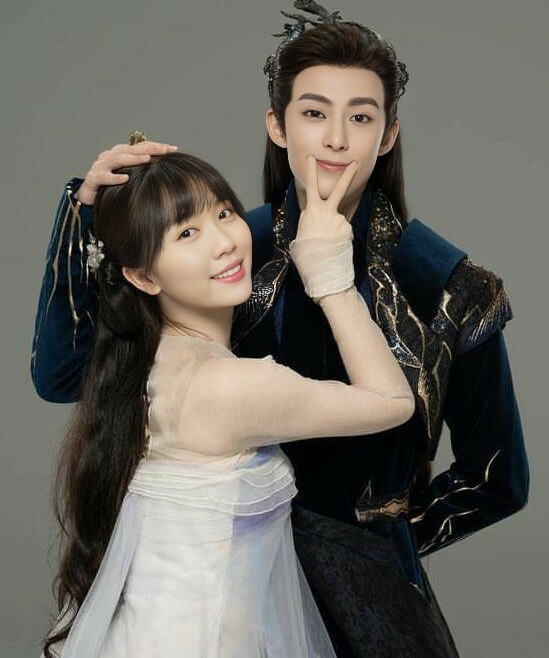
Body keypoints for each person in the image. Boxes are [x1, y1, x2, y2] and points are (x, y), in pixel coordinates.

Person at [31, 0, 530, 656]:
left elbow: (496, 480)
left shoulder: (447, 287)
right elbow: (68, 375)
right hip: (230, 597)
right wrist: (83, 213)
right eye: (313, 113)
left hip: (372, 604)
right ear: (278, 125)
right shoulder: (231, 254)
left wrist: (375, 547)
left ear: (387, 134)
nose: (335, 139)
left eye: (360, 117)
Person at [39, 150, 415, 657]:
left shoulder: (139, 360)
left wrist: (86, 206)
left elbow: (58, 371)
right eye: (186, 234)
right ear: (143, 278)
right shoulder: (227, 386)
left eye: (223, 212)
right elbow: (392, 401)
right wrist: (330, 276)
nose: (224, 242)